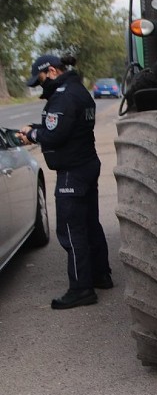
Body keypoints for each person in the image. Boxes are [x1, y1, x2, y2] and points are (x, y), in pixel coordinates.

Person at [17, 54, 112, 309]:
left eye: (40, 80)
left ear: (51, 71)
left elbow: (56, 134)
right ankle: (101, 275)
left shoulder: (64, 95)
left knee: (71, 231)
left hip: (72, 171)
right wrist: (36, 128)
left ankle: (81, 288)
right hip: (86, 165)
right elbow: (65, 125)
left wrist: (33, 134)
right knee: (90, 223)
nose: (40, 87)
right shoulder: (76, 89)